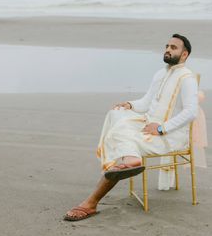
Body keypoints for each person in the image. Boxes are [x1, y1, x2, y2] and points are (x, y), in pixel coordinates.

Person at [64, 33, 198, 221]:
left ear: (184, 55)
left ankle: (91, 202)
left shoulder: (187, 78)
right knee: (116, 114)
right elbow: (146, 102)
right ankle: (131, 159)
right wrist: (130, 105)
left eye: (173, 47)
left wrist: (161, 128)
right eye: (167, 46)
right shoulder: (161, 74)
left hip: (169, 134)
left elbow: (192, 112)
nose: (168, 49)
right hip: (148, 124)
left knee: (121, 135)